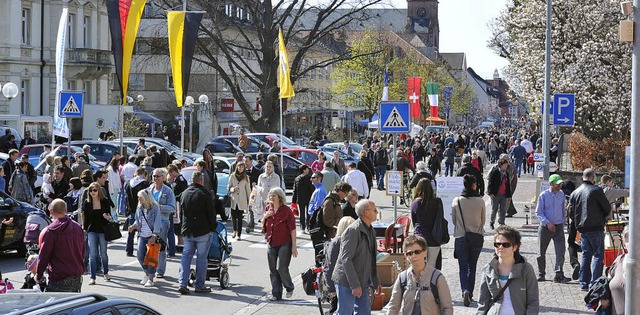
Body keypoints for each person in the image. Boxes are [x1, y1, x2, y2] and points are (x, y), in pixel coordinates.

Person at [332, 199, 381, 315]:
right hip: (346, 281)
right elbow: (346, 260)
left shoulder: (371, 230)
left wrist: (376, 281)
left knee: (364, 312)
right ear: (366, 213)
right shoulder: (353, 231)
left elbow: (372, 259)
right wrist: (355, 285)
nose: (377, 212)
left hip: (362, 281)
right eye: (375, 210)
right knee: (345, 312)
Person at [384, 235, 454, 315]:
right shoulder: (402, 278)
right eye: (409, 253)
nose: (413, 256)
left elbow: (447, 308)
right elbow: (393, 306)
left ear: (425, 252)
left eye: (417, 252)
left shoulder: (437, 277)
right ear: (405, 256)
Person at [477, 226, 540, 314]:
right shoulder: (488, 269)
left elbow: (533, 302)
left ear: (515, 247)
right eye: (497, 244)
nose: (500, 247)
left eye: (505, 244)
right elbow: (483, 302)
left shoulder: (526, 269)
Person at [568, 168, 611, 291]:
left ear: (583, 177)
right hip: (596, 227)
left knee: (586, 255)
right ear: (593, 178)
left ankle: (584, 282)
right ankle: (595, 283)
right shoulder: (596, 190)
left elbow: (571, 212)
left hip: (582, 228)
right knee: (598, 255)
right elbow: (607, 207)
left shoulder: (575, 192)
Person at [178, 171, 217, 294]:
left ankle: (182, 283)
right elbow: (211, 214)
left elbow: (181, 213)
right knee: (201, 259)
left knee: (186, 257)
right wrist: (213, 228)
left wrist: (182, 228)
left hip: (188, 229)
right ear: (201, 180)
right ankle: (199, 285)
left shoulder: (184, 193)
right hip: (203, 230)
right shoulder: (205, 194)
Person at [35, 199, 85, 292]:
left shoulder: (51, 231)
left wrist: (38, 275)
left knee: (55, 305)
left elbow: (44, 256)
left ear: (51, 212)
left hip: (59, 277)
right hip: (76, 276)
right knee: (74, 305)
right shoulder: (77, 227)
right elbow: (82, 250)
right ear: (65, 210)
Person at [451, 174, 486, 307]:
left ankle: (464, 289)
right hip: (477, 237)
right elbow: (483, 221)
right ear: (473, 185)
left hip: (461, 237)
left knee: (463, 267)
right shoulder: (480, 201)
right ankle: (470, 293)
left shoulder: (457, 201)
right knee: (473, 266)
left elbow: (454, 221)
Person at [261, 187, 298, 301]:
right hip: (271, 242)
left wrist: (294, 246)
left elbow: (292, 229)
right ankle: (276, 293)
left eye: (274, 195)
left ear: (280, 197)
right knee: (273, 269)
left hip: (284, 242)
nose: (271, 197)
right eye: (270, 195)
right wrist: (265, 217)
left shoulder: (287, 210)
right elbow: (264, 227)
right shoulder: (268, 208)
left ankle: (289, 287)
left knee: (281, 267)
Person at [535, 174, 571, 283]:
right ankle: (541, 273)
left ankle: (559, 274)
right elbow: (538, 212)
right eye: (557, 184)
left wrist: (564, 223)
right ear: (551, 184)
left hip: (558, 226)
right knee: (541, 252)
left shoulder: (561, 194)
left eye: (560, 184)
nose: (559, 185)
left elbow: (562, 209)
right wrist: (547, 223)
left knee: (560, 251)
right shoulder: (543, 195)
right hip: (545, 227)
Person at [146, 168, 176, 279]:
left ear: (163, 177)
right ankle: (151, 269)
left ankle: (160, 270)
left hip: (163, 222)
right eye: (154, 176)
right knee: (150, 246)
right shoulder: (149, 190)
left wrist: (160, 207)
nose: (155, 178)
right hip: (149, 222)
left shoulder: (168, 191)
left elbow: (173, 208)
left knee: (160, 247)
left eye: (158, 176)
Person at [128, 189, 163, 287]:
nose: (139, 199)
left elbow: (157, 222)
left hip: (151, 234)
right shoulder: (139, 207)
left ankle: (151, 278)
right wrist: (133, 226)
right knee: (140, 256)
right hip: (142, 234)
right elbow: (138, 220)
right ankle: (147, 274)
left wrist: (154, 235)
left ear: (146, 198)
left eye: (141, 198)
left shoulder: (155, 207)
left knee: (151, 257)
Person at [82, 182, 113, 285]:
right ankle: (93, 277)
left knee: (103, 253)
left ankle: (106, 272)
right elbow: (85, 217)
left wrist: (106, 216)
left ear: (99, 190)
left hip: (103, 230)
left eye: (95, 190)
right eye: (90, 190)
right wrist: (84, 229)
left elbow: (110, 216)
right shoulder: (87, 202)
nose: (92, 192)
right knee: (93, 254)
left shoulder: (105, 201)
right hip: (91, 230)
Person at [325, 216, 357, 314]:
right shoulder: (337, 242)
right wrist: (331, 287)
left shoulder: (349, 241)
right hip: (339, 281)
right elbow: (330, 266)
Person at [411, 178, 444, 269]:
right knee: (432, 268)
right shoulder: (437, 202)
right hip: (434, 238)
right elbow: (440, 219)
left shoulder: (415, 203)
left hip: (419, 237)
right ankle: (429, 283)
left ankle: (420, 283)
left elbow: (414, 221)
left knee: (419, 267)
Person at [602, 225, 629, 314]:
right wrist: (604, 297)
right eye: (628, 240)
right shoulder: (619, 261)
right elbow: (608, 282)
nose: (632, 244)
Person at [124, 167, 150, 257]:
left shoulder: (128, 183)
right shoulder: (145, 184)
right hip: (142, 208)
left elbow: (126, 197)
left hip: (131, 209)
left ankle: (129, 250)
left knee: (131, 230)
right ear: (144, 174)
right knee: (142, 231)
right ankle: (142, 250)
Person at [228, 161, 251, 240]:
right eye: (239, 167)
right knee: (233, 217)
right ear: (236, 167)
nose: (240, 168)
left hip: (242, 199)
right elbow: (228, 187)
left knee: (240, 217)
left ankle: (239, 234)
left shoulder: (246, 177)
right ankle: (234, 230)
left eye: (242, 167)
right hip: (234, 199)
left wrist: (249, 199)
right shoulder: (232, 176)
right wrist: (233, 189)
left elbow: (248, 189)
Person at [487, 158, 512, 230]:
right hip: (495, 193)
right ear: (501, 165)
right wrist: (490, 192)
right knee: (494, 209)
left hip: (503, 193)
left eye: (507, 165)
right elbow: (490, 182)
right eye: (505, 165)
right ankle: (492, 222)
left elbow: (508, 184)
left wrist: (509, 195)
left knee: (503, 209)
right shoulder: (495, 172)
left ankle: (501, 222)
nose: (506, 166)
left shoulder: (506, 173)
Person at [292, 165, 314, 233]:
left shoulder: (297, 179)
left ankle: (302, 228)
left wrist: (294, 200)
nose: (308, 170)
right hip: (309, 198)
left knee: (302, 214)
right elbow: (312, 189)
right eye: (307, 169)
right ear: (304, 170)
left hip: (300, 198)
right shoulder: (309, 178)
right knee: (309, 213)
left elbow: (295, 190)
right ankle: (308, 226)